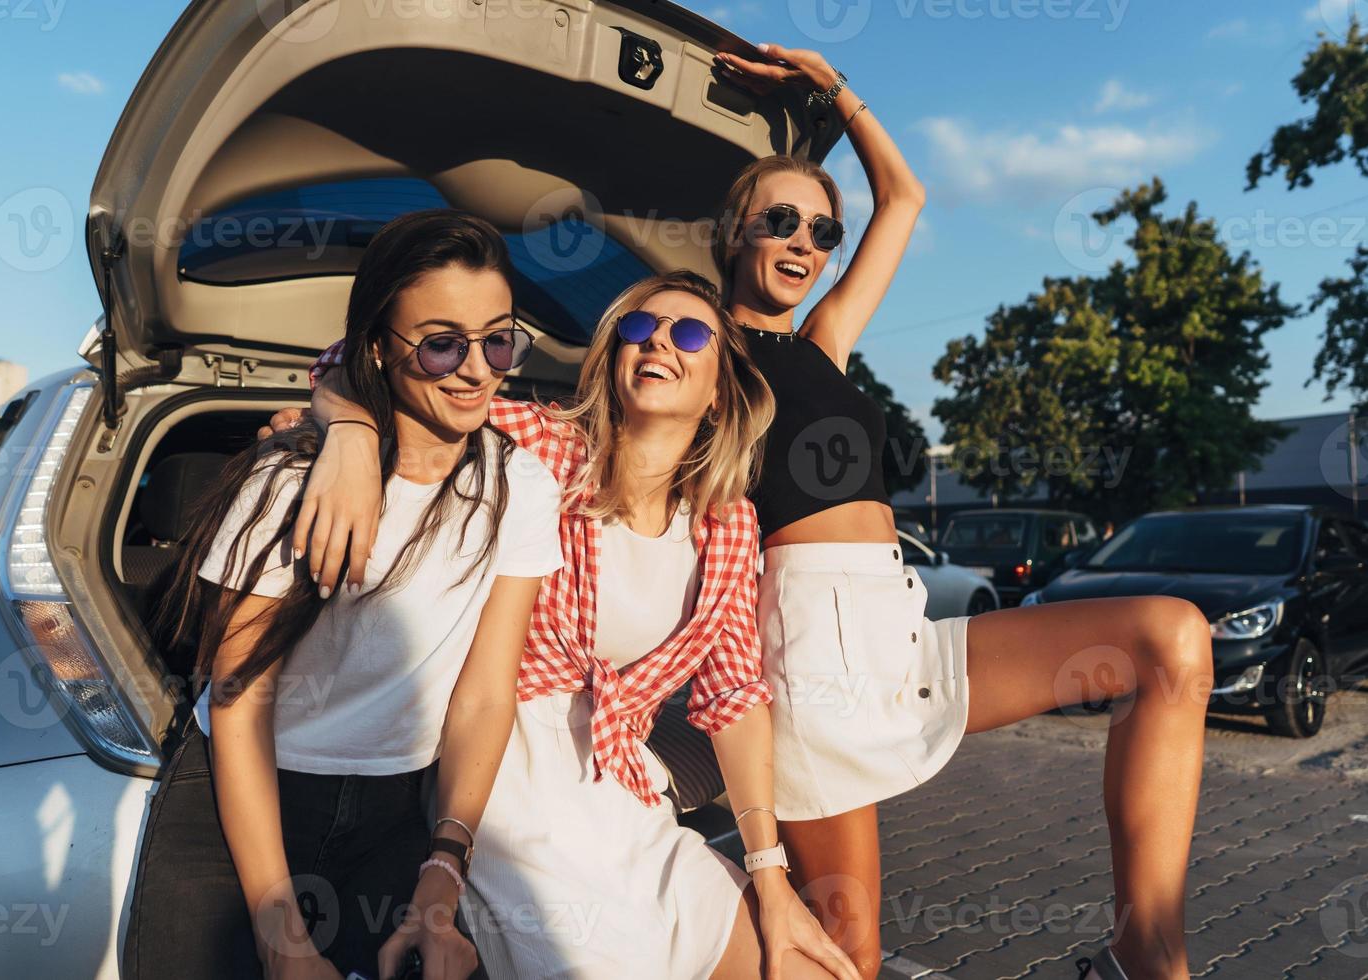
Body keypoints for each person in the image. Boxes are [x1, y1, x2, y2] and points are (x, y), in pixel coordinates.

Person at [285, 42, 1214, 979]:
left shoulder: (824, 344)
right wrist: (349, 427)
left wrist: (834, 90)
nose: (806, 244)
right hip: (806, 657)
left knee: (1170, 640)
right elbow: (449, 383)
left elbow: (907, 202)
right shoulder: (686, 353)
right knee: (842, 954)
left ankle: (1145, 950)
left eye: (822, 232)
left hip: (899, 626)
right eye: (781, 221)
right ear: (734, 233)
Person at [288, 270, 860, 979]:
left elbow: (735, 697)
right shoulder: (546, 444)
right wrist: (346, 432)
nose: (657, 343)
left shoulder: (728, 523)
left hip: (623, 787)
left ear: (719, 392)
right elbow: (360, 367)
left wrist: (771, 877)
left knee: (806, 968)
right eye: (637, 328)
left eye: (687, 333)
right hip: (505, 774)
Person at [122, 210, 564, 980]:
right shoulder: (287, 480)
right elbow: (239, 701)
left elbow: (486, 695)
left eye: (498, 340)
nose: (476, 369)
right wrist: (282, 939)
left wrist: (443, 870)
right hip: (245, 799)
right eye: (441, 343)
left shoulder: (521, 485)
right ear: (376, 350)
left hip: (394, 811)